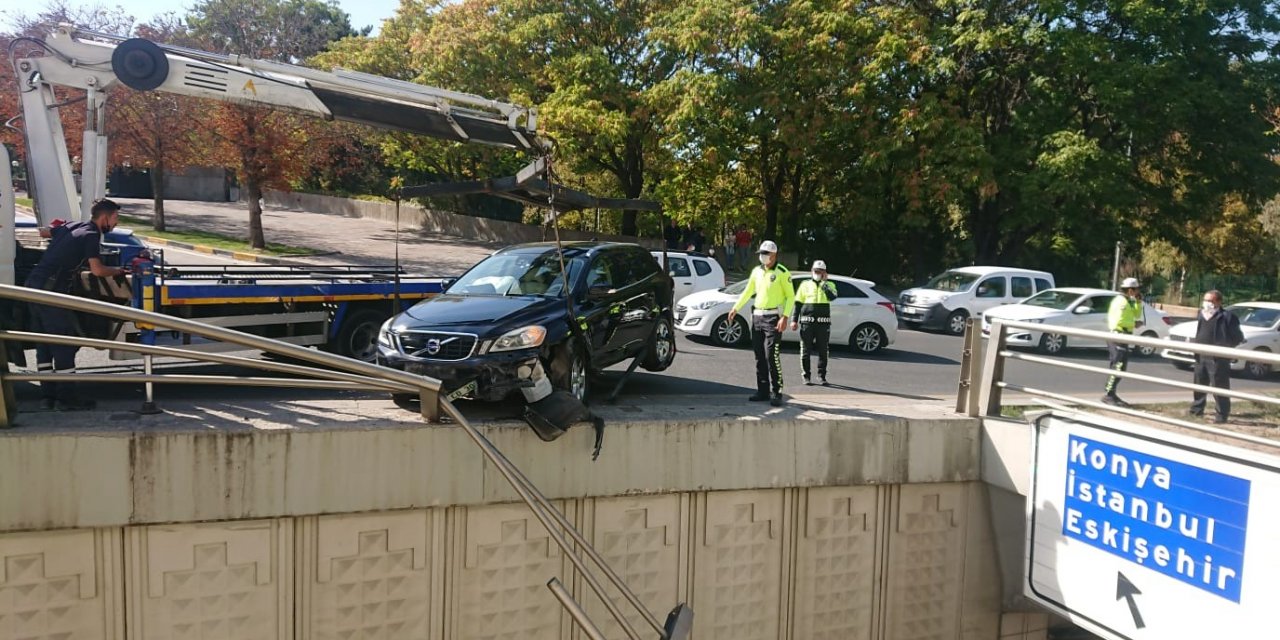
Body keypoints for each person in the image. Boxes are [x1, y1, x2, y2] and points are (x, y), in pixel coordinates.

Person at [24, 198, 126, 411]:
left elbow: (45, 232)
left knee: (44, 342)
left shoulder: (73, 226)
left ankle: (48, 396)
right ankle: (67, 399)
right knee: (64, 342)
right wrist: (118, 271)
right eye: (115, 218)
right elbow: (97, 270)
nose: (116, 223)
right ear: (104, 217)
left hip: (33, 284)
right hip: (50, 291)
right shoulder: (91, 235)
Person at [727, 240, 794, 406]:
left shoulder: (782, 273)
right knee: (759, 356)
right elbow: (748, 290)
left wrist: (785, 317)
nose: (762, 257)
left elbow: (790, 296)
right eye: (761, 254)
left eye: (766, 254)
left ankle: (777, 392)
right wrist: (736, 307)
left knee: (771, 355)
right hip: (757, 316)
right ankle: (762, 390)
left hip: (773, 317)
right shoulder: (756, 271)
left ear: (774, 255)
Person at [1189, 290, 1244, 423]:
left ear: (1218, 302)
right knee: (1199, 384)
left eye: (1210, 301)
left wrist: (1224, 348)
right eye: (1205, 300)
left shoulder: (1227, 317)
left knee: (1219, 387)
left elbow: (1238, 337)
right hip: (1201, 355)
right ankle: (1197, 410)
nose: (1207, 303)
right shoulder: (1201, 314)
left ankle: (1221, 415)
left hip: (1217, 358)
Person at [791, 260, 838, 385]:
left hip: (823, 323)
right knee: (805, 350)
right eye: (815, 271)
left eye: (820, 272)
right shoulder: (804, 284)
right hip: (807, 323)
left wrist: (824, 283)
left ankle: (821, 376)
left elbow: (832, 297)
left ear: (824, 273)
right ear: (811, 271)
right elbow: (798, 304)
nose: (817, 273)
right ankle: (806, 376)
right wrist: (794, 320)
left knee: (823, 350)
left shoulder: (830, 285)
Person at [1102, 277, 1145, 407]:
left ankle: (1112, 393)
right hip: (1118, 336)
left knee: (1121, 367)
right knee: (1118, 366)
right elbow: (1118, 321)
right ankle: (1108, 395)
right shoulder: (1121, 302)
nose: (1138, 292)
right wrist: (1134, 323)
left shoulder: (1128, 300)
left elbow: (1136, 314)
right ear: (1131, 290)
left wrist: (1138, 302)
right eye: (1137, 290)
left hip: (1124, 336)